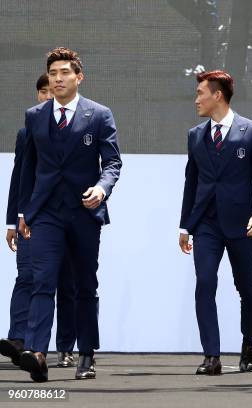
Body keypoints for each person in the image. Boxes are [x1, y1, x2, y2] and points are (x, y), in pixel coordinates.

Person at [18, 47, 122, 382]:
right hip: (46, 213)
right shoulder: (35, 115)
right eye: (53, 73)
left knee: (83, 286)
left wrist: (102, 189)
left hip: (83, 211)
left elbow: (113, 163)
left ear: (79, 77)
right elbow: (28, 169)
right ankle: (37, 354)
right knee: (42, 281)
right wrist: (23, 212)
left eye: (64, 72)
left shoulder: (100, 114)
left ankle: (87, 354)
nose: (58, 78)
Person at [179, 70, 252, 376]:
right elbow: (190, 184)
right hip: (206, 223)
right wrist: (185, 226)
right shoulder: (195, 136)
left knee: (247, 288)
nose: (196, 99)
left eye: (200, 93)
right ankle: (211, 356)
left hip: (242, 224)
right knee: (205, 283)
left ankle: (249, 341)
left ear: (217, 95)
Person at [1, 74, 78, 370]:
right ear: (37, 95)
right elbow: (19, 180)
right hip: (32, 220)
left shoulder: (79, 126)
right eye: (43, 92)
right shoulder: (27, 133)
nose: (48, 96)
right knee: (28, 276)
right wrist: (13, 221)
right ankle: (19, 341)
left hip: (68, 218)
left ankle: (66, 347)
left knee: (66, 283)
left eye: (52, 91)